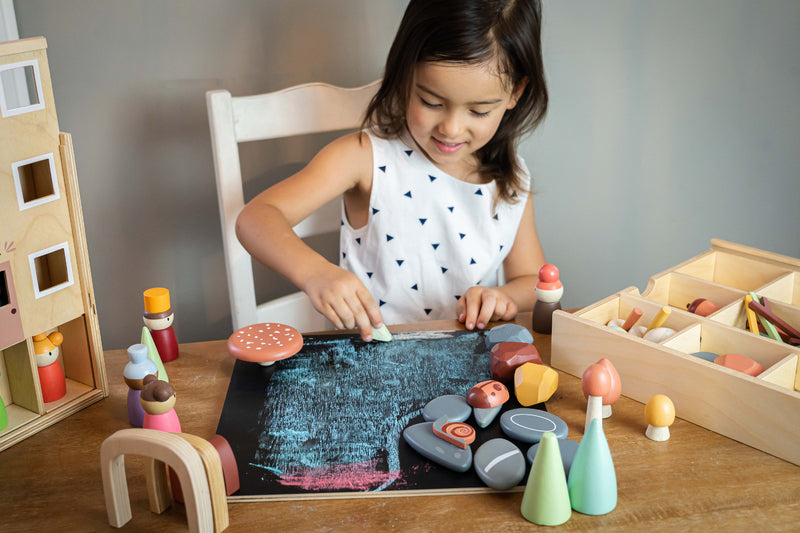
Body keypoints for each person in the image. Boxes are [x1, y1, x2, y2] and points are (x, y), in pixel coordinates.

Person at [236, 0, 549, 341]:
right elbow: (255, 218)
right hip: (371, 368)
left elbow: (533, 281)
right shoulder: (364, 157)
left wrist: (504, 298)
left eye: (478, 111)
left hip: (468, 373)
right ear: (404, 77)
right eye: (432, 102)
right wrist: (315, 273)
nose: (452, 128)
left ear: (515, 93)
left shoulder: (511, 179)